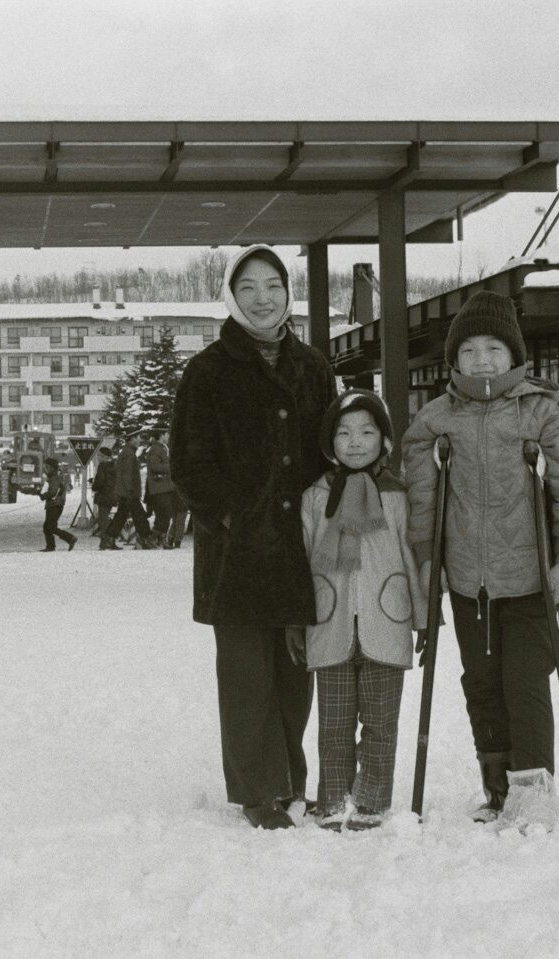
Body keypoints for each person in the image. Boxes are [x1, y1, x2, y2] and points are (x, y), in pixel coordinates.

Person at [402, 289, 559, 829]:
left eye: (492, 349)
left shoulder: (542, 414)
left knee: (525, 682)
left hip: (529, 578)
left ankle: (534, 795)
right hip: (467, 580)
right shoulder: (436, 420)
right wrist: (427, 560)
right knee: (481, 682)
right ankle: (498, 789)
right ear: (453, 360)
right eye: (468, 351)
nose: (481, 360)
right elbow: (422, 499)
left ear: (513, 356)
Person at [170, 243, 337, 830]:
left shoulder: (314, 365)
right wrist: (231, 517)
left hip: (300, 546)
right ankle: (256, 791)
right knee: (245, 677)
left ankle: (292, 783)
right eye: (248, 289)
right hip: (237, 555)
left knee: (295, 675)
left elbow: (333, 447)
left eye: (272, 286)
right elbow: (189, 463)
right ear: (231, 298)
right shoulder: (209, 370)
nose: (262, 299)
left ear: (288, 293)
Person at [293, 390, 424, 831]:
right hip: (330, 625)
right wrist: (297, 617)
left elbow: (411, 555)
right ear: (330, 441)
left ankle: (371, 801)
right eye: (344, 433)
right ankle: (332, 799)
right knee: (333, 725)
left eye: (367, 432)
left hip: (387, 621)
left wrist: (423, 618)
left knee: (381, 725)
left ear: (385, 441)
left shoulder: (397, 495)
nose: (355, 442)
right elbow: (303, 555)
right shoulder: (315, 496)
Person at [102, 430, 154, 550]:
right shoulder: (129, 454)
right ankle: (145, 540)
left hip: (124, 491)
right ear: (132, 439)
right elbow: (127, 474)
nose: (140, 440)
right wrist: (131, 490)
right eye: (138, 437)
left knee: (121, 516)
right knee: (140, 516)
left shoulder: (126, 452)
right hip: (129, 492)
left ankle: (108, 540)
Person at [144, 427, 180, 548]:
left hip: (164, 486)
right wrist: (171, 466)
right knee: (164, 513)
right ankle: (153, 538)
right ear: (161, 435)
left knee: (164, 514)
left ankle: (160, 540)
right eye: (167, 434)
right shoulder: (156, 449)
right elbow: (155, 467)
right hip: (159, 487)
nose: (168, 436)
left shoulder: (162, 448)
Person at [38, 456, 76, 551]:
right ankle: (50, 546)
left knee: (51, 527)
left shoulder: (54, 477)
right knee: (47, 526)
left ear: (51, 467)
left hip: (55, 504)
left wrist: (44, 495)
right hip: (54, 504)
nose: (45, 470)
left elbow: (53, 492)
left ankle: (70, 538)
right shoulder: (53, 476)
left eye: (46, 467)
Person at [91, 442, 120, 549]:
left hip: (103, 496)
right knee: (105, 519)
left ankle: (106, 542)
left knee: (103, 520)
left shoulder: (102, 466)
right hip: (112, 496)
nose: (98, 457)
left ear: (104, 456)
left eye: (99, 455)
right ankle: (109, 542)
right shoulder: (114, 466)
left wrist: (94, 486)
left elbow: (100, 481)